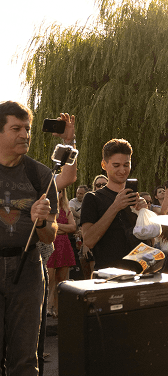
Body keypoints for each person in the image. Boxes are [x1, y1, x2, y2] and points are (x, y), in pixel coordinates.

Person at [0, 100, 58, 376]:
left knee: (24, 358)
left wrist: (41, 221)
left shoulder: (41, 175)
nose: (25, 135)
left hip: (27, 269)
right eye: (16, 128)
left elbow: (50, 237)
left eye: (28, 128)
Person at [81, 139, 146, 270]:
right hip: (108, 276)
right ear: (104, 165)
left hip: (139, 273)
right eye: (116, 165)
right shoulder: (93, 198)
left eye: (126, 165)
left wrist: (144, 214)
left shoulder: (134, 198)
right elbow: (88, 240)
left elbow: (150, 241)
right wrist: (115, 207)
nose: (122, 170)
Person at [46, 189, 77, 317]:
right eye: (55, 191)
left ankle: (58, 310)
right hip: (49, 245)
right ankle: (48, 307)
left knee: (62, 281)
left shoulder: (66, 209)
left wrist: (56, 226)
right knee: (50, 279)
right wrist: (63, 228)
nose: (58, 194)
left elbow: (73, 228)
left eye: (60, 191)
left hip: (63, 245)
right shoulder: (46, 208)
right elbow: (45, 227)